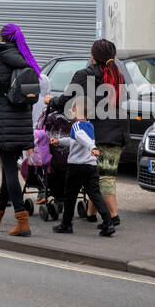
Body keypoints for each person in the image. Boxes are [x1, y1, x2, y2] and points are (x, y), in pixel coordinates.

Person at [45, 39, 128, 227]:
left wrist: (51, 101)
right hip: (120, 131)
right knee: (98, 174)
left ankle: (113, 217)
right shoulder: (118, 75)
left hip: (101, 132)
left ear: (93, 56)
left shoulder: (84, 75)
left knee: (105, 176)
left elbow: (67, 100)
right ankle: (91, 213)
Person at [0, 23, 40, 236]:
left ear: (2, 39)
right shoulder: (25, 59)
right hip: (21, 122)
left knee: (9, 171)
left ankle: (22, 220)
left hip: (3, 123)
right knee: (8, 171)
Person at [49, 113, 116, 237]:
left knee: (70, 196)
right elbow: (74, 140)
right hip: (91, 166)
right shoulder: (89, 125)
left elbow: (80, 137)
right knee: (95, 194)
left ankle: (66, 224)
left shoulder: (77, 125)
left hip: (77, 166)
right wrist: (59, 141)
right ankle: (108, 223)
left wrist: (92, 147)